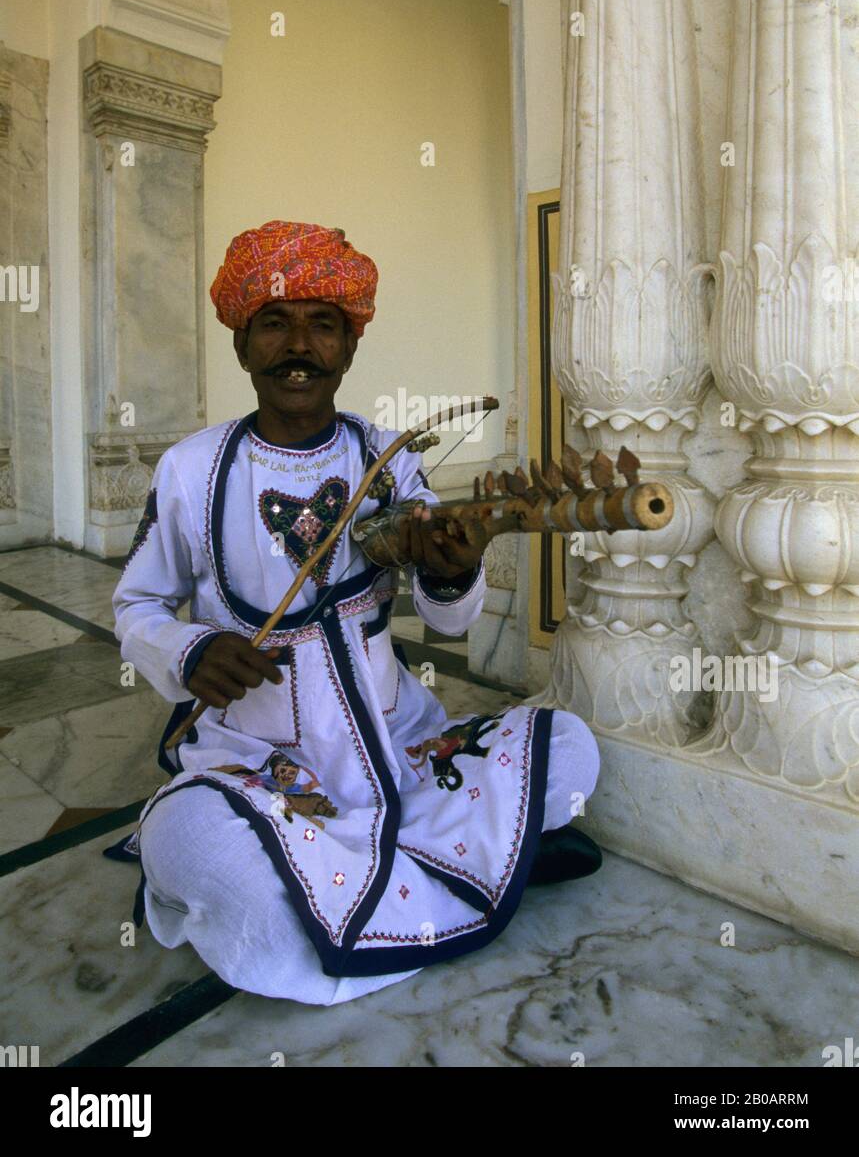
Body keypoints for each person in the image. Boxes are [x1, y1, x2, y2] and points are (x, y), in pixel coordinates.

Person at [112, 219, 602, 1005]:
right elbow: (136, 602)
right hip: (260, 759)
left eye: (323, 324)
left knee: (570, 749)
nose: (298, 344)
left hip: (399, 739)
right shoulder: (190, 468)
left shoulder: (389, 457)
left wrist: (453, 568)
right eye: (274, 322)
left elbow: (447, 627)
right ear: (241, 344)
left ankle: (365, 875)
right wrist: (192, 648)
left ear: (349, 345)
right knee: (192, 849)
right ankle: (462, 863)